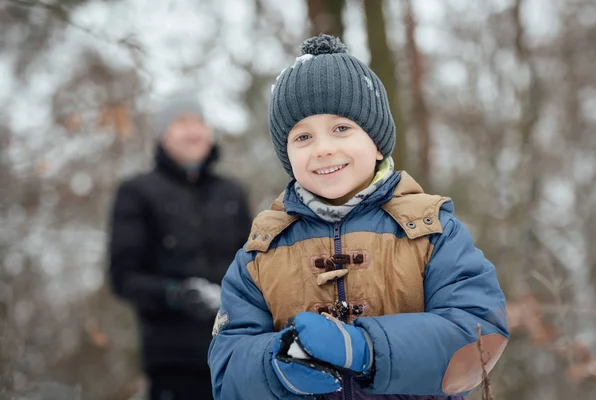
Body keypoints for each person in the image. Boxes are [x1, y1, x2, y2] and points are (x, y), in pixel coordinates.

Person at [208, 34, 509, 400]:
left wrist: (367, 349)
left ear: (377, 141)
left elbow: (478, 336)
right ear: (287, 156)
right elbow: (227, 365)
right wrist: (276, 367)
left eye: (341, 128)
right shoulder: (261, 253)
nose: (323, 149)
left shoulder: (432, 231)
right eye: (302, 137)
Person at [108, 92, 252, 400]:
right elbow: (123, 278)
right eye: (182, 122)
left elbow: (255, 267)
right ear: (163, 133)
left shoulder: (232, 193)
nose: (194, 131)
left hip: (237, 353)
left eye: (199, 122)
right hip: (172, 362)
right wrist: (177, 295)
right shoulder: (137, 193)